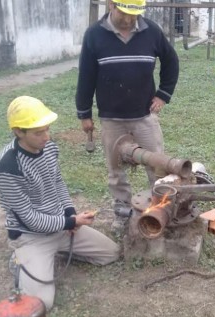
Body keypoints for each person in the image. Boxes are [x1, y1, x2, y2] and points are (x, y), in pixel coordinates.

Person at [0, 96, 120, 310]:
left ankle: (53, 254)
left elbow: (57, 182)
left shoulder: (49, 147)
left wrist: (71, 215)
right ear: (18, 132)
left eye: (47, 129)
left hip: (60, 226)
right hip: (31, 236)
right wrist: (69, 222)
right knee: (42, 304)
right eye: (38, 132)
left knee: (112, 253)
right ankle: (20, 260)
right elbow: (30, 219)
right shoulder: (8, 168)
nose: (46, 136)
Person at [75, 0, 179, 232]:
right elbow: (86, 77)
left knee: (158, 165)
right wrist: (84, 113)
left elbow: (171, 61)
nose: (130, 19)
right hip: (111, 119)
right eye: (125, 13)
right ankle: (122, 211)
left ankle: (161, 208)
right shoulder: (94, 35)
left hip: (144, 116)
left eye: (134, 14)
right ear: (111, 5)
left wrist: (163, 95)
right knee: (116, 170)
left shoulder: (151, 31)